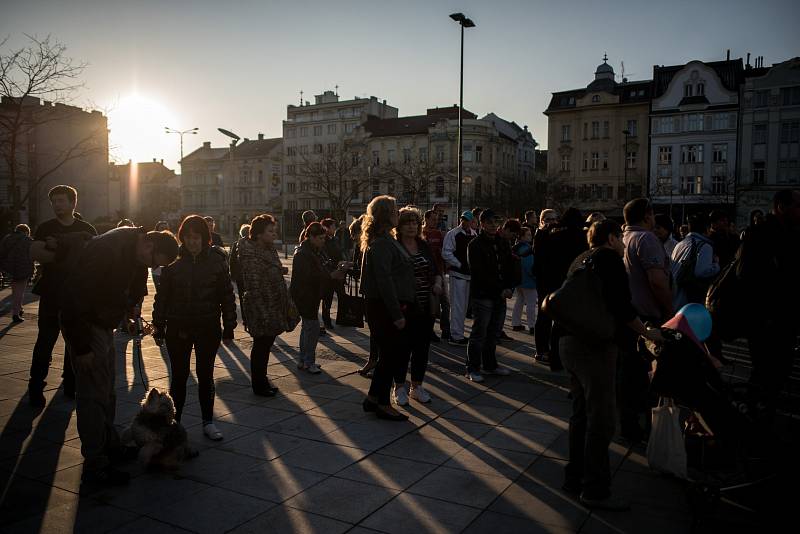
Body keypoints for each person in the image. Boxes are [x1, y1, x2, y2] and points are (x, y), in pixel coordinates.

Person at [59, 225, 179, 485]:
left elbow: (123, 288)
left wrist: (128, 310)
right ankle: (96, 465)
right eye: (152, 262)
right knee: (93, 397)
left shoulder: (133, 250)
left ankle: (111, 448)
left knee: (107, 393)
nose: (149, 267)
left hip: (102, 323)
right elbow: (73, 299)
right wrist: (82, 347)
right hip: (86, 325)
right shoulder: (108, 249)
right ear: (149, 245)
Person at [560, 219, 663, 511]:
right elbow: (621, 305)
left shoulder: (581, 260)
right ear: (611, 238)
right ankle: (595, 490)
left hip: (569, 341)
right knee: (601, 420)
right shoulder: (609, 260)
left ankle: (574, 477)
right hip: (594, 347)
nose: (623, 243)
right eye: (620, 237)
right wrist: (647, 332)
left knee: (580, 413)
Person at [152, 215, 237, 442]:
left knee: (205, 375)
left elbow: (227, 297)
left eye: (196, 237)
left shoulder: (217, 262)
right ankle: (174, 423)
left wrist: (229, 326)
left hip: (207, 327)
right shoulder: (173, 264)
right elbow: (162, 299)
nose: (192, 242)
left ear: (204, 238)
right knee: (178, 378)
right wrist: (158, 326)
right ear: (182, 238)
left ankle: (208, 421)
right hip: (178, 328)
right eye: (188, 237)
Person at [29, 185, 97, 406]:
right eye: (54, 201)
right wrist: (71, 251)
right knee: (45, 342)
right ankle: (36, 386)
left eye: (61, 200)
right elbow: (37, 254)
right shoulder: (45, 227)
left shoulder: (86, 227)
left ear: (72, 202)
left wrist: (58, 250)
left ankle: (71, 384)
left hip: (78, 296)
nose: (57, 205)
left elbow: (91, 261)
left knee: (75, 343)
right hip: (52, 293)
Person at [738, 190, 800, 415]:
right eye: (797, 206)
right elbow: (745, 274)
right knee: (765, 369)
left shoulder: (791, 232)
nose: (799, 211)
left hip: (783, 316)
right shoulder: (761, 233)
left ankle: (762, 410)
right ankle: (754, 412)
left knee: (778, 370)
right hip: (766, 316)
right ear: (781, 206)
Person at [620, 198, 673, 442]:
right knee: (642, 374)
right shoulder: (647, 239)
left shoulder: (624, 237)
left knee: (629, 373)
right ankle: (638, 427)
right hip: (647, 316)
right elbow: (657, 281)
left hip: (628, 314)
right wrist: (670, 309)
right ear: (648, 215)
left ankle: (629, 423)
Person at [360, 196, 414, 421]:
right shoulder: (381, 243)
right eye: (394, 210)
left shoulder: (386, 239)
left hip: (388, 305)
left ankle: (373, 398)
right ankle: (383, 403)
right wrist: (396, 314)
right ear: (384, 214)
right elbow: (384, 281)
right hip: (384, 307)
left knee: (389, 355)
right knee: (390, 356)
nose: (398, 213)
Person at [238, 215, 293, 397]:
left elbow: (269, 270)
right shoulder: (250, 252)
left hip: (273, 303)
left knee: (266, 344)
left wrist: (278, 271)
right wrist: (262, 310)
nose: (274, 233)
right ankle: (259, 384)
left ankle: (262, 380)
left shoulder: (269, 249)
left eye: (274, 229)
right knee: (261, 345)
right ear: (259, 234)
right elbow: (254, 283)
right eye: (270, 230)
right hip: (260, 305)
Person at [392, 207, 442, 405]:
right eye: (407, 222)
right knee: (402, 347)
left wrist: (438, 283)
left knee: (422, 347)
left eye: (414, 222)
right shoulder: (395, 246)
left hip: (425, 305)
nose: (412, 226)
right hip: (404, 305)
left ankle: (416, 386)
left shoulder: (423, 245)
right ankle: (399, 387)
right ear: (399, 226)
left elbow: (435, 269)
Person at [465, 209, 518, 382]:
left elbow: (509, 266)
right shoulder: (475, 245)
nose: (493, 226)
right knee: (479, 332)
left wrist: (510, 287)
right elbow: (480, 273)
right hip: (483, 295)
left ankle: (490, 364)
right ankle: (472, 368)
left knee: (494, 332)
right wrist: (500, 289)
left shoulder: (503, 242)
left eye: (496, 222)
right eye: (489, 222)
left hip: (500, 295)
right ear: (482, 224)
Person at [290, 222, 348, 374]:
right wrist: (331, 275)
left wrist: (337, 267)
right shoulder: (303, 253)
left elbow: (323, 266)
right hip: (306, 295)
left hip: (311, 295)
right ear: (311, 237)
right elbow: (308, 276)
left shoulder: (314, 250)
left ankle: (303, 360)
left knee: (308, 328)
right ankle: (309, 362)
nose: (324, 241)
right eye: (321, 238)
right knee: (312, 329)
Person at [535, 208, 588, 371]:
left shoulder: (552, 236)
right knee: (562, 322)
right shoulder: (582, 238)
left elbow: (539, 259)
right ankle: (559, 355)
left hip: (549, 283)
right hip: (569, 285)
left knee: (547, 319)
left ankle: (550, 354)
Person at [670, 213, 720, 309]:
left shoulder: (680, 244)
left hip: (674, 296)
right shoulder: (705, 246)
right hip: (689, 300)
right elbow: (701, 272)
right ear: (706, 228)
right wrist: (716, 265)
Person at [441, 211, 476, 346]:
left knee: (464, 306)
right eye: (463, 219)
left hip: (468, 275)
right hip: (458, 275)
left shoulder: (473, 234)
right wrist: (459, 264)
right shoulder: (453, 234)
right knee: (458, 306)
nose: (464, 222)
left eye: (467, 220)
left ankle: (458, 333)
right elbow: (446, 252)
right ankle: (455, 335)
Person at [532, 208, 559, 364]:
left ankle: (550, 349)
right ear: (542, 221)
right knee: (544, 318)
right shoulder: (540, 235)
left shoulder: (554, 235)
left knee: (554, 318)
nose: (552, 222)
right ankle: (541, 351)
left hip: (554, 281)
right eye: (548, 219)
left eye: (554, 219)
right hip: (544, 283)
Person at [423, 209, 450, 341]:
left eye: (436, 219)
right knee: (432, 305)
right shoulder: (421, 233)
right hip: (427, 273)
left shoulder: (438, 234)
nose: (435, 221)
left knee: (445, 302)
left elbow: (443, 251)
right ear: (426, 219)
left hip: (439, 271)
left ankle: (446, 330)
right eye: (433, 219)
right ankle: (430, 330)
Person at [495, 218, 522, 343]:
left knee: (501, 310)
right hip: (497, 282)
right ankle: (495, 333)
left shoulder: (504, 240)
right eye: (512, 233)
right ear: (506, 230)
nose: (513, 237)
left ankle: (498, 331)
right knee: (497, 310)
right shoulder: (498, 240)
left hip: (504, 282)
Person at [1, 224, 33, 323]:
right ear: (26, 231)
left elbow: (1, 252)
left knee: (15, 291)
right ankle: (16, 313)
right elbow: (32, 255)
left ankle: (19, 308)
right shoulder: (28, 240)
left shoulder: (7, 238)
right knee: (19, 291)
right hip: (23, 268)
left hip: (9, 268)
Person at [511, 226, 536, 334]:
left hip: (519, 280)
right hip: (528, 281)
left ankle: (515, 323)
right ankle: (532, 326)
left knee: (519, 302)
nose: (531, 236)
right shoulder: (527, 249)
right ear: (522, 237)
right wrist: (536, 277)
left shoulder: (516, 248)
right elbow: (530, 267)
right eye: (528, 234)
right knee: (531, 304)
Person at [320, 218, 343, 330]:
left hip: (338, 272)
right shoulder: (323, 241)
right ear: (327, 228)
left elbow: (339, 252)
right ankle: (326, 320)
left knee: (342, 296)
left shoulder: (335, 239)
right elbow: (325, 257)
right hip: (329, 273)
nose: (335, 228)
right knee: (327, 299)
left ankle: (343, 318)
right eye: (333, 226)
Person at [228, 223, 251, 328]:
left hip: (240, 277)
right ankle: (251, 318)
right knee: (251, 298)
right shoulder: (253, 244)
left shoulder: (236, 244)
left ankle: (246, 319)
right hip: (251, 276)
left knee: (242, 298)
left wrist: (232, 275)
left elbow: (231, 261)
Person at [150, 221, 170, 291]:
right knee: (159, 291)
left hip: (169, 271)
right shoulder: (153, 241)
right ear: (157, 229)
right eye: (162, 228)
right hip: (157, 271)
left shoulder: (171, 241)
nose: (164, 229)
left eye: (166, 228)